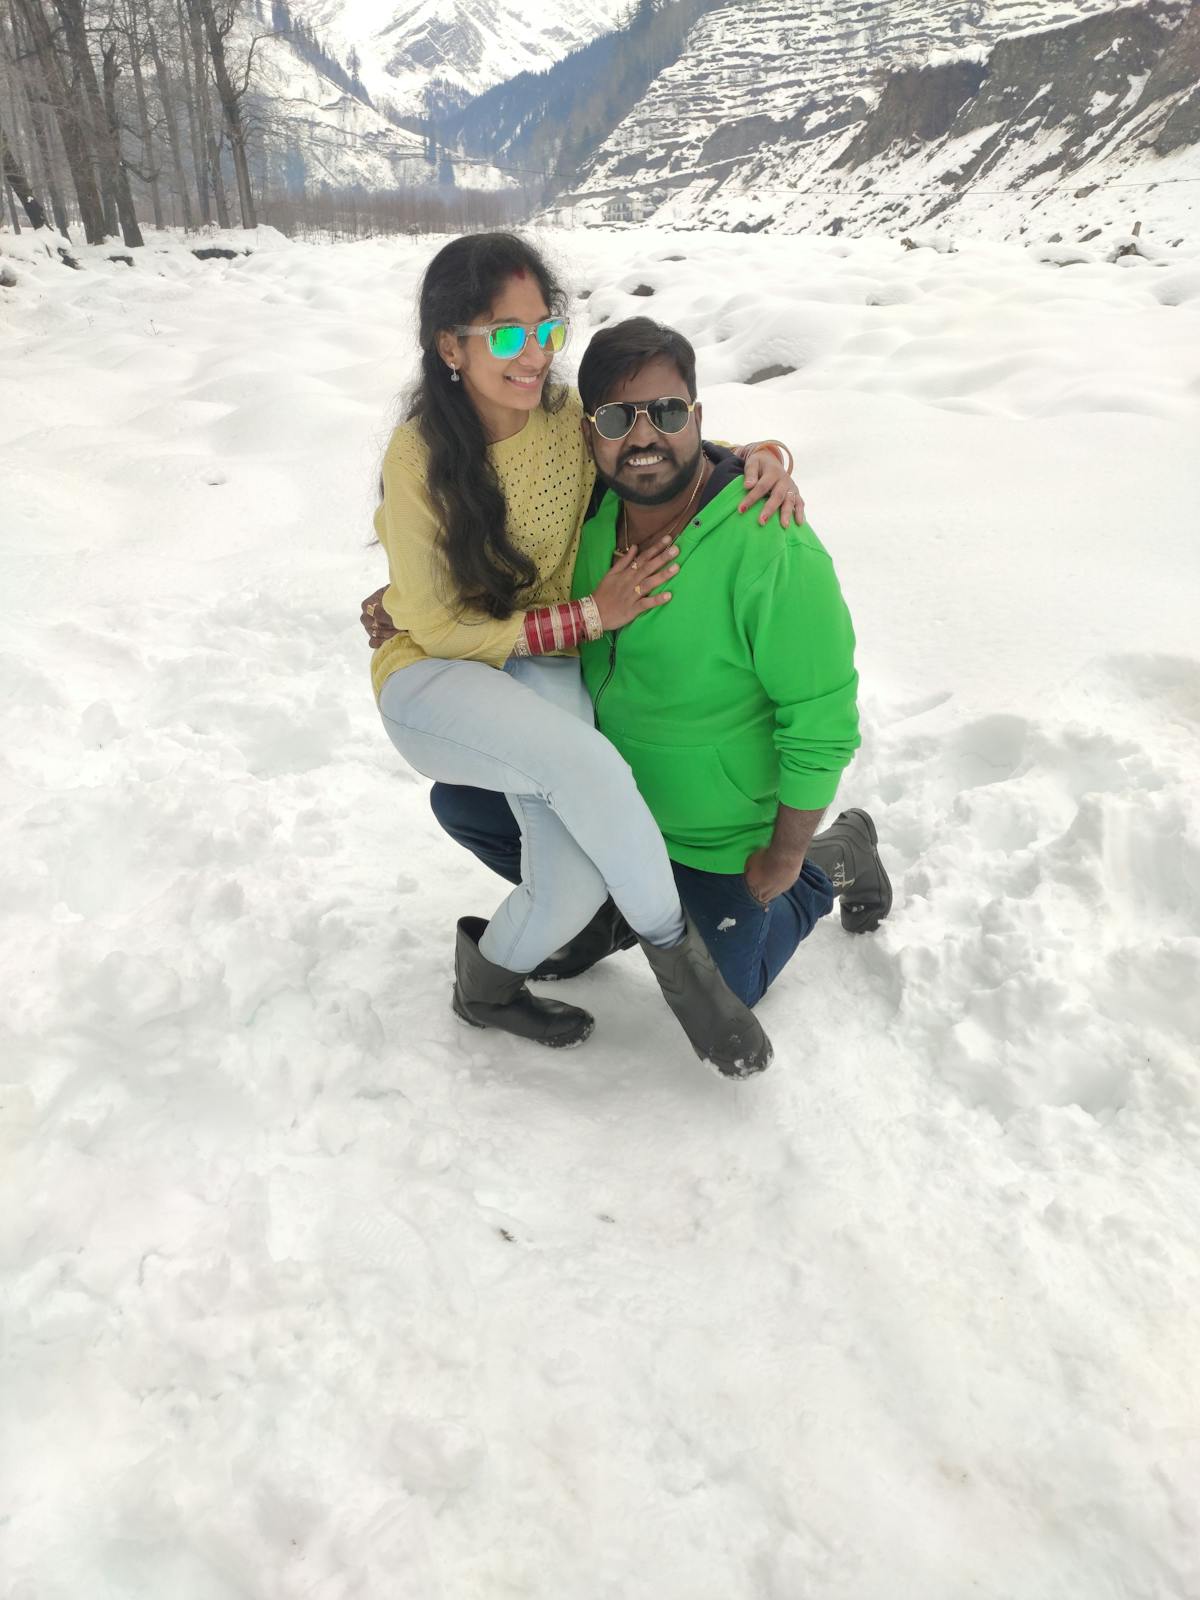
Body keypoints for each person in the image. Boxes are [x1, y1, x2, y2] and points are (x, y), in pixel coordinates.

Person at [370, 234, 805, 1077]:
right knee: (592, 767)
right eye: (507, 334)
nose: (534, 355)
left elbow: (651, 445)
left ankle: (486, 985)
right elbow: (439, 625)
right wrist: (589, 616)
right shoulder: (418, 457)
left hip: (537, 666)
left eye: (546, 329)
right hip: (432, 675)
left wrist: (759, 459)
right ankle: (685, 972)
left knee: (571, 883)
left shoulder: (564, 420)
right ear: (450, 346)